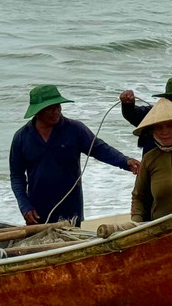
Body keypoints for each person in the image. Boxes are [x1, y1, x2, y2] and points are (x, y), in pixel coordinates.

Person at [9, 84, 140, 226]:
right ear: (38, 111)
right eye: (49, 109)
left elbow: (99, 149)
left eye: (58, 106)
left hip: (71, 208)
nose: (56, 112)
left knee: (73, 241)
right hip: (38, 211)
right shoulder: (22, 138)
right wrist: (25, 206)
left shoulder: (74, 130)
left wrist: (125, 161)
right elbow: (17, 176)